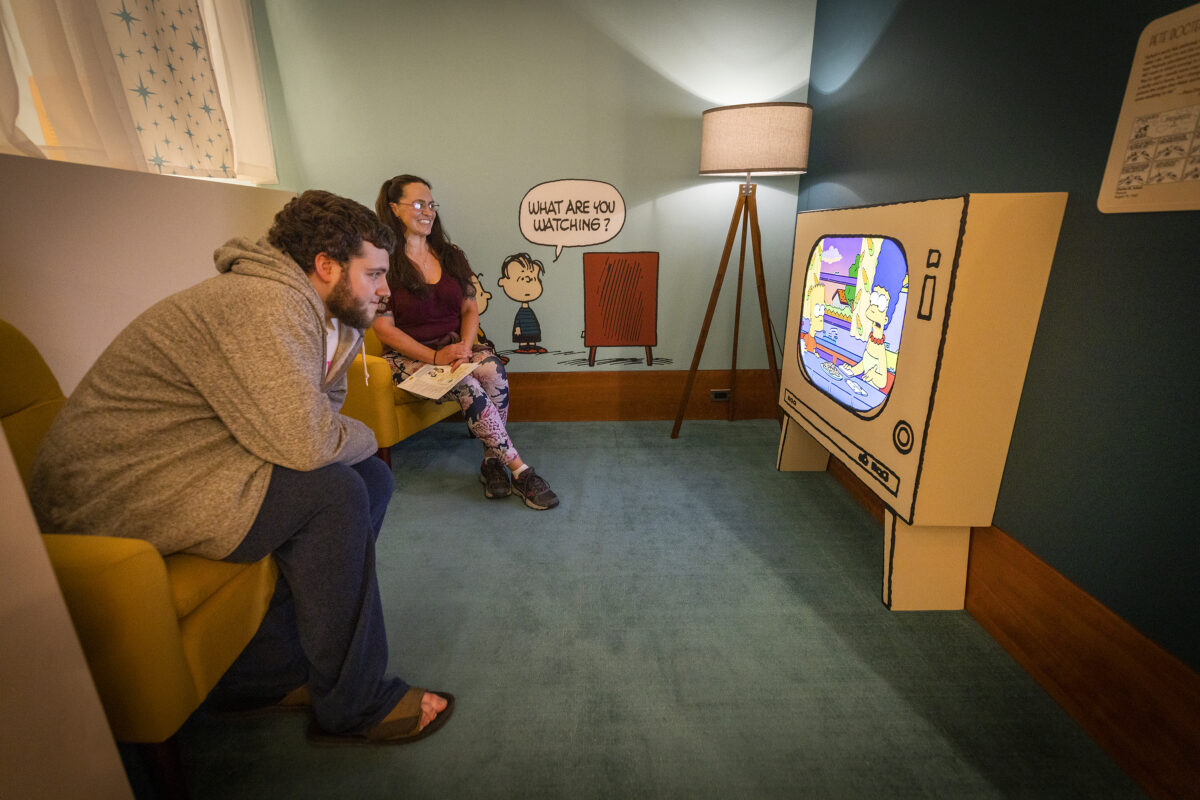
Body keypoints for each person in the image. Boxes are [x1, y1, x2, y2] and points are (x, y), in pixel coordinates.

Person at [29, 190, 453, 745]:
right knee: (335, 494)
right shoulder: (264, 305)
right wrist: (367, 436)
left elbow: (315, 423)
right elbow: (308, 442)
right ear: (325, 266)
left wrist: (346, 442)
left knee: (368, 479)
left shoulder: (329, 316)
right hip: (113, 493)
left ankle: (260, 678)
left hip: (194, 462)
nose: (385, 288)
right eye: (373, 273)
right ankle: (354, 704)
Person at [373, 174, 558, 510]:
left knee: (493, 370)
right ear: (393, 209)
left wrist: (463, 347)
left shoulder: (451, 254)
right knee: (467, 384)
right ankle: (520, 470)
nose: (428, 211)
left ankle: (491, 463)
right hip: (408, 357)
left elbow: (470, 308)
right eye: (418, 204)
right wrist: (434, 356)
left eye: (431, 204)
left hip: (455, 345)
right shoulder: (381, 262)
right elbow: (383, 329)